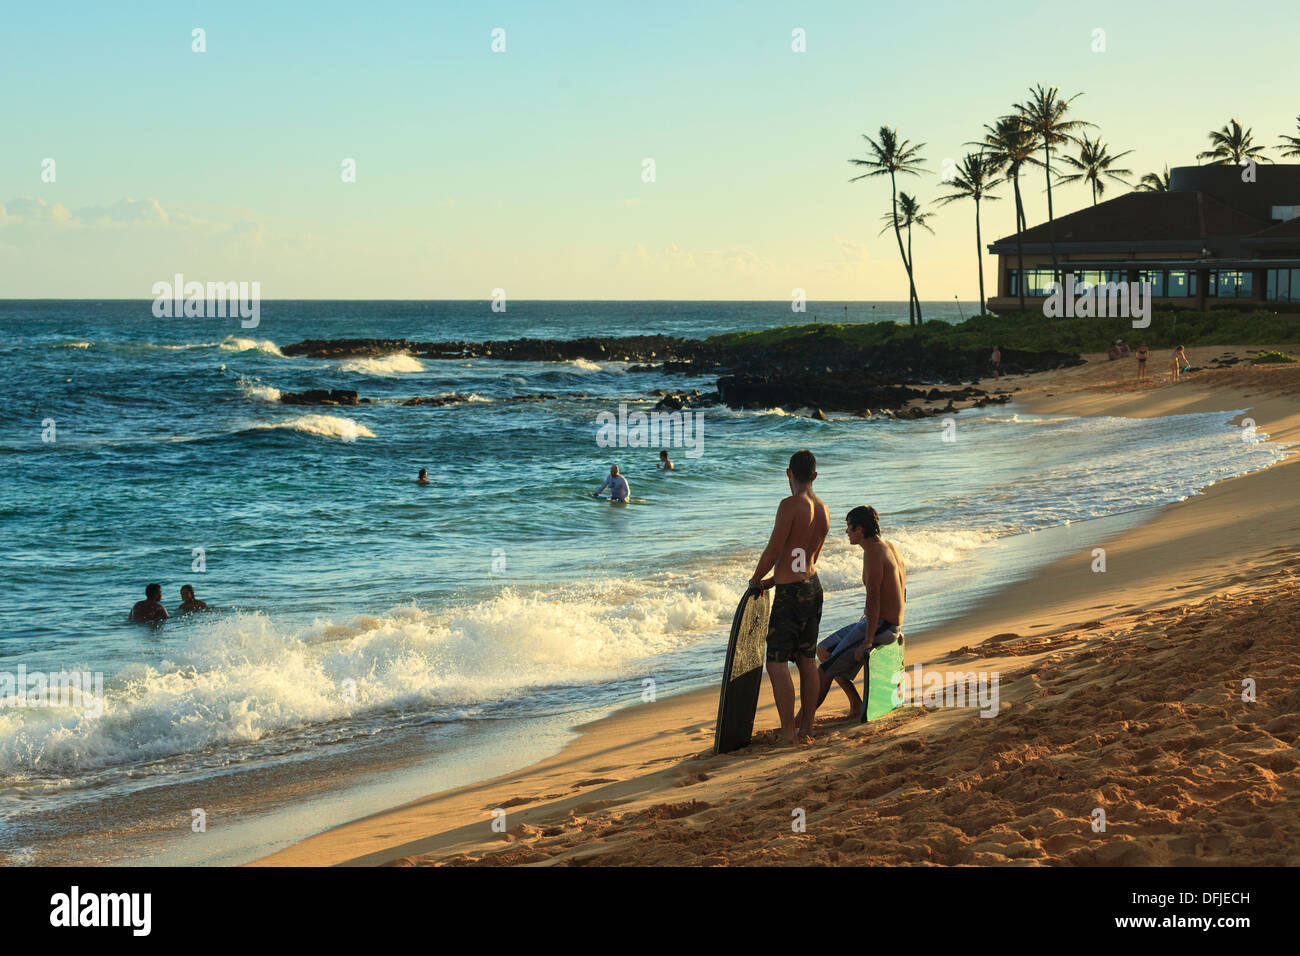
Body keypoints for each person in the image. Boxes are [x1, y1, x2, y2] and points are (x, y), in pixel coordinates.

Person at [749, 449, 829, 744]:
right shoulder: (823, 509)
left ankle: (788, 733)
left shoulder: (789, 505)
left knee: (777, 662)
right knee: (808, 659)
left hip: (791, 596)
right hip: (812, 587)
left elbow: (774, 549)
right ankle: (807, 727)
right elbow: (806, 557)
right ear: (815, 476)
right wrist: (775, 579)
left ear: (789, 474)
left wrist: (756, 579)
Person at [797, 507, 907, 722]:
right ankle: (856, 704)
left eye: (849, 527)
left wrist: (868, 641)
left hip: (880, 626)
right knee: (824, 651)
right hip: (883, 624)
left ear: (860, 529)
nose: (846, 531)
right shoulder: (890, 547)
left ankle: (801, 721)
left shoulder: (874, 553)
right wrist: (899, 625)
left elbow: (874, 599)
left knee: (826, 669)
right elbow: (901, 589)